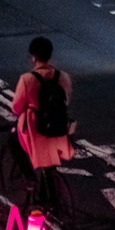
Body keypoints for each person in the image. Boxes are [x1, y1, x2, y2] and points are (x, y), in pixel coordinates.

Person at [11, 36, 74, 212]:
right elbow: (65, 101)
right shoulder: (64, 77)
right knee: (50, 164)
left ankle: (30, 178)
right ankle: (52, 193)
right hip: (59, 128)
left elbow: (16, 108)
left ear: (33, 57)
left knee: (13, 140)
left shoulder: (27, 79)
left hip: (36, 130)